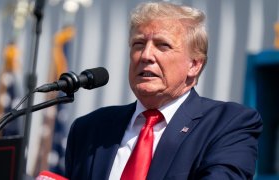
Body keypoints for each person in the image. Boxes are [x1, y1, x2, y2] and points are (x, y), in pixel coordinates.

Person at [64, 2, 263, 180]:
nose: (146, 55)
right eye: (138, 44)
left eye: (163, 45)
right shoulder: (90, 129)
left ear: (194, 65)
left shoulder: (228, 124)